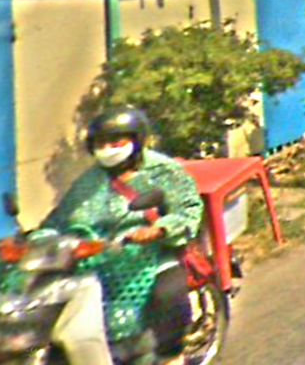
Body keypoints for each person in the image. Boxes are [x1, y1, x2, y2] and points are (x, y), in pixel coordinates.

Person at [42, 105, 204, 365]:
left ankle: (171, 357)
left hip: (154, 255)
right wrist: (37, 239)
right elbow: (61, 218)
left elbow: (188, 209)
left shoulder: (163, 171)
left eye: (116, 142)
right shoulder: (88, 182)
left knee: (168, 298)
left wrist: (159, 230)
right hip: (102, 260)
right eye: (101, 144)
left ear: (136, 141)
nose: (108, 149)